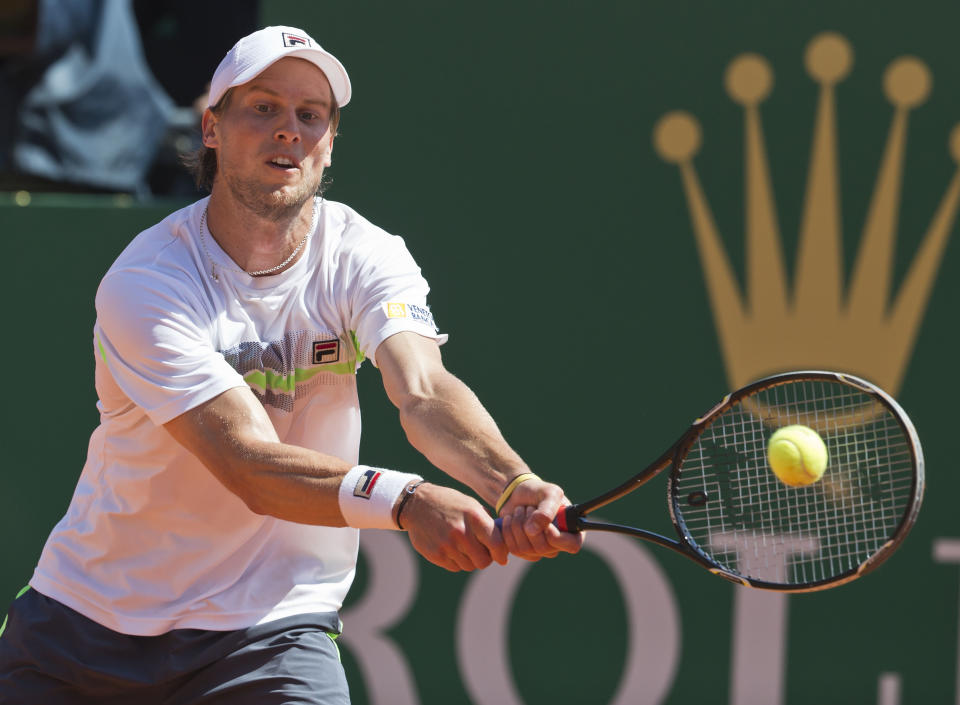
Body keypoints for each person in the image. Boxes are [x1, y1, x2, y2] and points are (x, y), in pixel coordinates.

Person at [0, 24, 582, 705]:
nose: (289, 130)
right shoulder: (148, 280)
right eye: (264, 108)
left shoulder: (367, 255)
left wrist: (511, 481)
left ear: (330, 143)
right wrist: (407, 499)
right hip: (84, 634)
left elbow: (423, 389)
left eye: (311, 115)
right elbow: (248, 460)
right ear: (211, 129)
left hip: (268, 631)